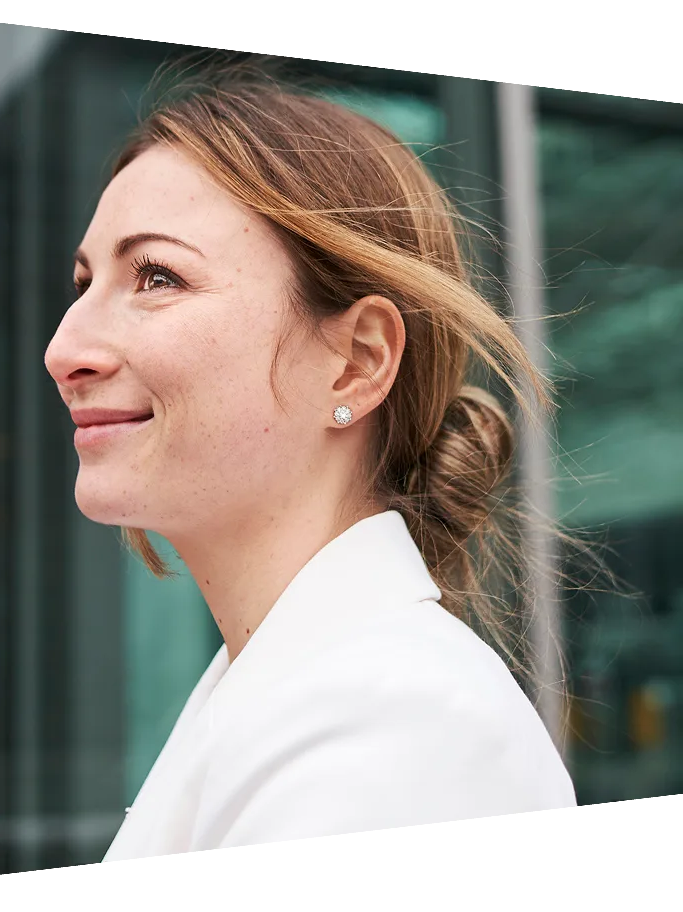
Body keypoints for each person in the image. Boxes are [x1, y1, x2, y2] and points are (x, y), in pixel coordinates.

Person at [44, 59, 577, 858]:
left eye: (156, 276)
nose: (64, 349)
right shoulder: (313, 691)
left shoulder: (394, 728)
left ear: (358, 361)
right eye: (84, 283)